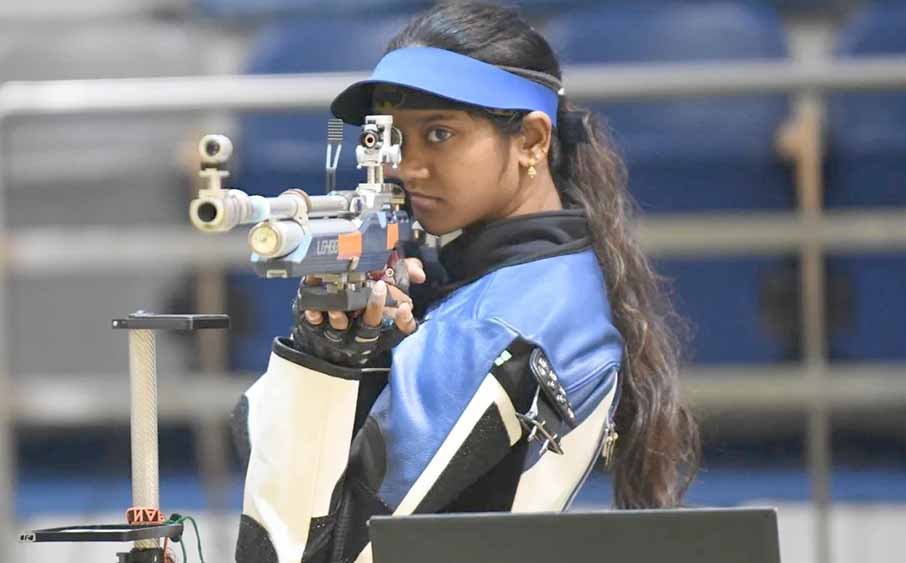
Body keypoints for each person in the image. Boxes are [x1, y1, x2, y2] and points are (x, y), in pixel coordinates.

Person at [232, 3, 700, 562]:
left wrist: (324, 364)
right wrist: (367, 353)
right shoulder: (548, 279)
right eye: (393, 138)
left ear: (532, 140)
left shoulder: (490, 326)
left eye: (439, 133)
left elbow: (298, 549)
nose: (406, 167)